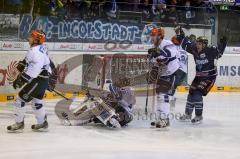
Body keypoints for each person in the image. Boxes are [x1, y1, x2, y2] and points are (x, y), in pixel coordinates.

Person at [177, 27, 227, 123]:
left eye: (199, 44)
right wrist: (182, 36)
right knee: (191, 92)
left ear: (204, 44)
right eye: (197, 43)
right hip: (199, 77)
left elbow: (219, 52)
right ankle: (188, 114)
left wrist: (223, 42)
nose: (197, 45)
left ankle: (199, 116)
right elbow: (185, 45)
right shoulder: (194, 48)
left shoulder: (210, 50)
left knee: (197, 93)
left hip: (209, 77)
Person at [7, 30, 51, 132]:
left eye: (31, 37)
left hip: (38, 80)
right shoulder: (41, 48)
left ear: (36, 40)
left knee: (20, 99)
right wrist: (20, 67)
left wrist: (21, 80)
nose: (29, 38)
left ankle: (19, 123)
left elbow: (35, 68)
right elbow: (27, 61)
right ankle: (42, 123)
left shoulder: (35, 51)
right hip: (42, 80)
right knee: (37, 101)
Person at [57, 77, 136, 128]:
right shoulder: (113, 91)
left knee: (94, 105)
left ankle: (72, 119)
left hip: (123, 115)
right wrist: (90, 95)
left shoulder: (126, 90)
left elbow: (123, 103)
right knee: (92, 107)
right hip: (120, 117)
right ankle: (73, 116)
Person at [147, 27, 180, 128]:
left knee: (164, 96)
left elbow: (170, 54)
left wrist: (158, 52)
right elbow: (155, 63)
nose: (152, 37)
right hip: (164, 74)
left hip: (173, 72)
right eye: (151, 35)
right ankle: (160, 118)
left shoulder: (167, 43)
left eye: (154, 35)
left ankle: (164, 119)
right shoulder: (154, 46)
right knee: (159, 96)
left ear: (160, 36)